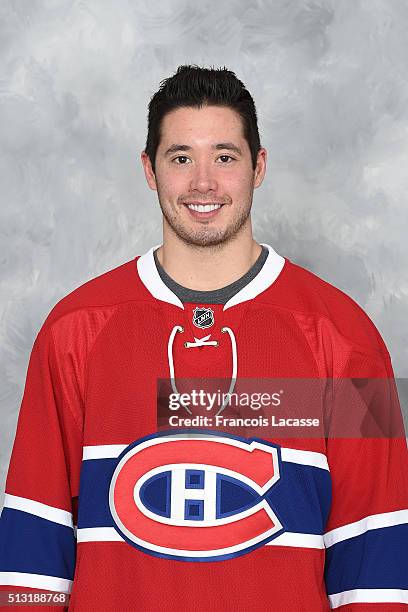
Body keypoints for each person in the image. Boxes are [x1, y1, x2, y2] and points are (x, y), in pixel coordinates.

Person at [0, 65, 407, 611]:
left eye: (225, 155)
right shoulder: (75, 329)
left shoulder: (346, 337)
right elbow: (34, 550)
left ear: (258, 167)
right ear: (150, 170)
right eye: (180, 157)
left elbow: (375, 551)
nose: (203, 183)